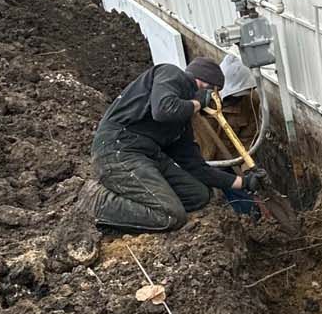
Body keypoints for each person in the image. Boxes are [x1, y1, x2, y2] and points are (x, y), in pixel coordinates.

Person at [89, 57, 264, 235]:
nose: (213, 100)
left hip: (148, 154)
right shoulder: (170, 73)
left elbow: (197, 168)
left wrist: (245, 182)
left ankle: (146, 201)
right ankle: (100, 202)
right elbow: (163, 110)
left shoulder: (180, 126)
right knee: (171, 216)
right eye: (213, 93)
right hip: (118, 148)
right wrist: (197, 103)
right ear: (202, 85)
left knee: (198, 195)